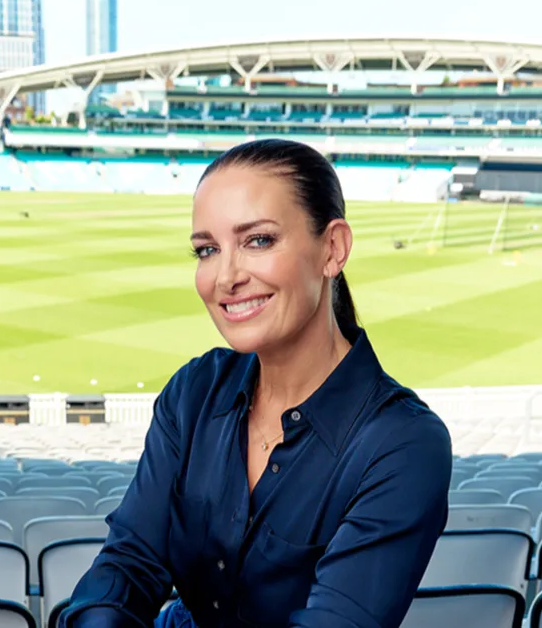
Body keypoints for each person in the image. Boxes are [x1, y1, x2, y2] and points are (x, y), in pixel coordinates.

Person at [60, 139, 452, 628]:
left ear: (332, 248)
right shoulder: (193, 393)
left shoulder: (405, 445)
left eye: (258, 240)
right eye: (207, 249)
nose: (225, 277)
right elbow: (129, 563)